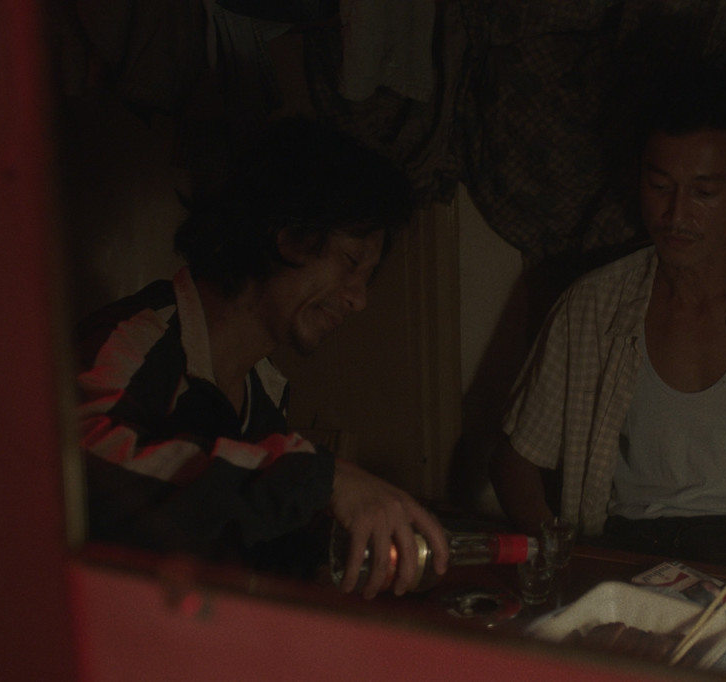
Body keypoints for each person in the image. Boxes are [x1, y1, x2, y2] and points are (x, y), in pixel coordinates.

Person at [489, 65, 726, 577]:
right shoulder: (592, 306)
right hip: (625, 549)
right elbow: (515, 459)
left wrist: (711, 596)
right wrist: (560, 549)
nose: (676, 215)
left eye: (704, 192)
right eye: (659, 186)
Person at [75, 117, 448, 599]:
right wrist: (321, 478)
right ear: (287, 235)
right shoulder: (136, 338)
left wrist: (316, 557)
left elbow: (222, 533)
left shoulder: (262, 393)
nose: (359, 299)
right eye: (351, 262)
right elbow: (85, 475)